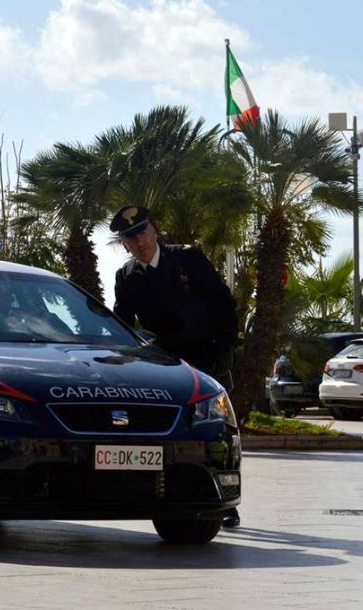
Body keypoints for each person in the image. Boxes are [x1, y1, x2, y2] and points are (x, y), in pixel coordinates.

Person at [111, 205, 241, 528]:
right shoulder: (126, 278)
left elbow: (223, 302)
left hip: (205, 359)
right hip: (164, 369)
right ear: (124, 244)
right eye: (130, 237)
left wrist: (225, 348)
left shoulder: (188, 260)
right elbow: (123, 326)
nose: (139, 241)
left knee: (216, 430)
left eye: (142, 231)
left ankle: (225, 498)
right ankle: (171, 495)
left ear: (154, 230)